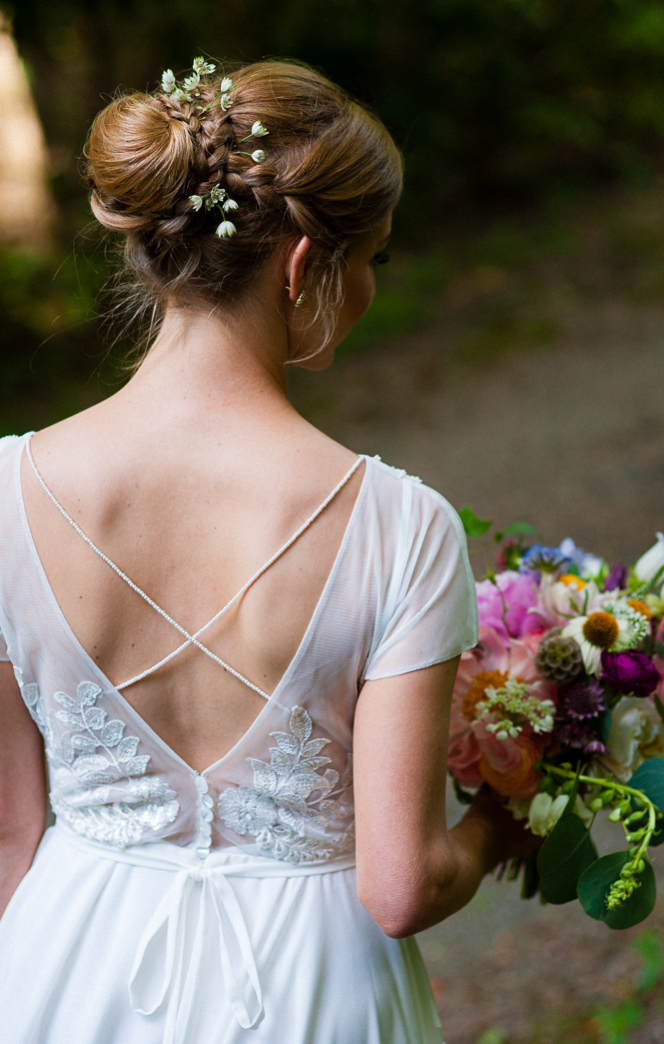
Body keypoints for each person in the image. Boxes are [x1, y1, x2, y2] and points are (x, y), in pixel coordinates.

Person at [0, 59, 534, 1043]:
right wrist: (513, 812)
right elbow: (400, 887)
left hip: (61, 974)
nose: (368, 286)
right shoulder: (400, 526)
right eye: (370, 257)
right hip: (310, 996)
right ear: (302, 268)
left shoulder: (2, 496)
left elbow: (6, 838)